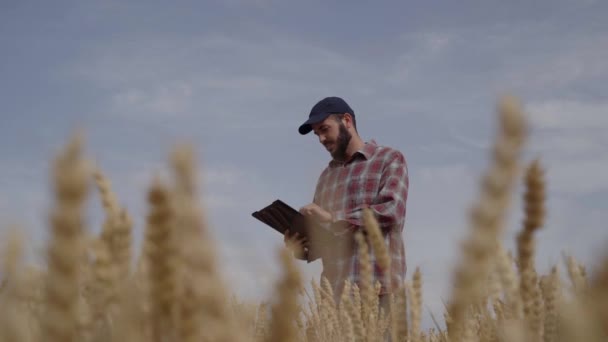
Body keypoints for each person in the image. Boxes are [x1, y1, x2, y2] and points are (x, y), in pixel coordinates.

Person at [285, 96, 409, 312]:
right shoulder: (326, 177)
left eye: (325, 129)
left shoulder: (389, 159)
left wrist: (333, 218)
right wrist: (301, 245)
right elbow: (326, 239)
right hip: (334, 301)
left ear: (347, 121)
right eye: (317, 134)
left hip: (381, 294)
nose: (321, 139)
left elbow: (391, 212)